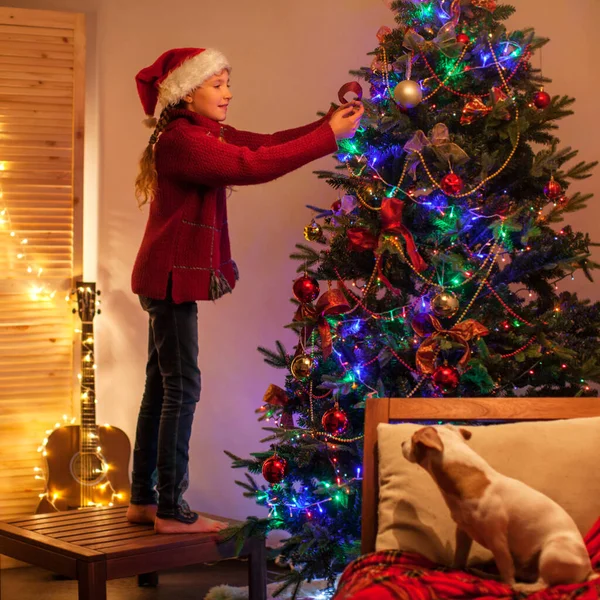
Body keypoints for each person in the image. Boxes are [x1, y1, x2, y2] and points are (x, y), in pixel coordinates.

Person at [127, 47, 364, 533]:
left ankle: (143, 501)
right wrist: (328, 139)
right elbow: (249, 166)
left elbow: (265, 143)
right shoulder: (182, 141)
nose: (228, 93)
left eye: (227, 83)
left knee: (161, 389)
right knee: (181, 389)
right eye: (217, 85)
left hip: (165, 276)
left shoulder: (196, 132)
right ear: (186, 91)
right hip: (169, 279)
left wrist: (325, 126)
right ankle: (170, 509)